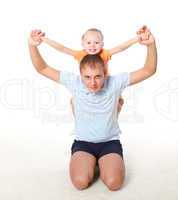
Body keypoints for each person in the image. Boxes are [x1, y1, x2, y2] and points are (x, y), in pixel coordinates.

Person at [28, 26, 157, 191]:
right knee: (80, 183)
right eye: (87, 77)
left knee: (114, 183)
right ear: (80, 75)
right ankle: (89, 160)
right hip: (83, 143)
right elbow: (42, 68)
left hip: (109, 143)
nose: (93, 82)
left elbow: (148, 70)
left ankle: (104, 160)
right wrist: (32, 45)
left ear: (105, 74)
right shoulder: (74, 82)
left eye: (98, 77)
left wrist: (150, 45)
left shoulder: (115, 83)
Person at [40, 28, 142, 113]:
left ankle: (113, 117)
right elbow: (62, 49)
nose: (92, 46)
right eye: (88, 43)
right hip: (88, 83)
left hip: (105, 83)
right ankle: (79, 120)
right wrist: (45, 40)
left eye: (96, 43)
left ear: (102, 44)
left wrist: (137, 39)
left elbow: (120, 48)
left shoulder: (104, 53)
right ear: (83, 44)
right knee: (72, 100)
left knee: (120, 100)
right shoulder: (81, 54)